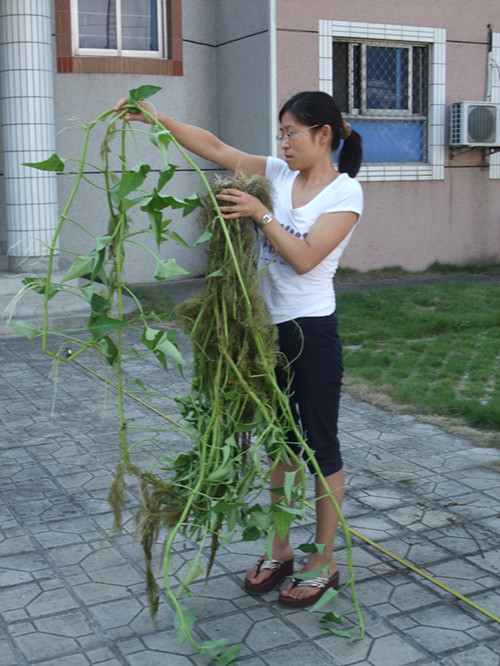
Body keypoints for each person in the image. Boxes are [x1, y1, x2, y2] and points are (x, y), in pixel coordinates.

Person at [115, 90, 363, 608]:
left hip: (310, 333)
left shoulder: (345, 193)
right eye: (280, 133)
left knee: (320, 445)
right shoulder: (277, 173)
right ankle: (279, 549)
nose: (283, 143)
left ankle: (323, 559)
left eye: (292, 133)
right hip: (262, 331)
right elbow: (215, 147)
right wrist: (155, 117)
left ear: (323, 135)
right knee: (280, 444)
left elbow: (305, 259)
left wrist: (259, 213)